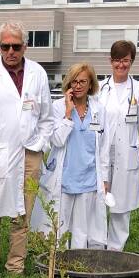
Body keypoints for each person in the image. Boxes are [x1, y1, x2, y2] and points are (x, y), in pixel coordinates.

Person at [0, 21, 53, 277]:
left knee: (23, 214)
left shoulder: (38, 73)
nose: (10, 51)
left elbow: (47, 118)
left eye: (15, 46)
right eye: (5, 46)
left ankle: (15, 266)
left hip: (30, 156)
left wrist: (38, 145)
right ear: (0, 47)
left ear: (24, 46)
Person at [30, 63, 111, 249]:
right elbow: (57, 140)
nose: (78, 85)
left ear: (91, 84)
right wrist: (68, 113)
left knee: (82, 228)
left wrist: (104, 178)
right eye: (74, 81)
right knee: (59, 225)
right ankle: (58, 264)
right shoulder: (58, 107)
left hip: (89, 178)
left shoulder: (99, 110)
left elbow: (104, 147)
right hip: (64, 177)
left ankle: (79, 263)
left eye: (83, 81)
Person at [99, 40, 139, 251]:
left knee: (122, 202)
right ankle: (97, 242)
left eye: (126, 61)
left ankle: (115, 247)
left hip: (126, 150)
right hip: (102, 149)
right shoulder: (99, 88)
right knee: (98, 199)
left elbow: (138, 120)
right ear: (111, 61)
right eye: (117, 60)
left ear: (132, 61)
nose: (121, 65)